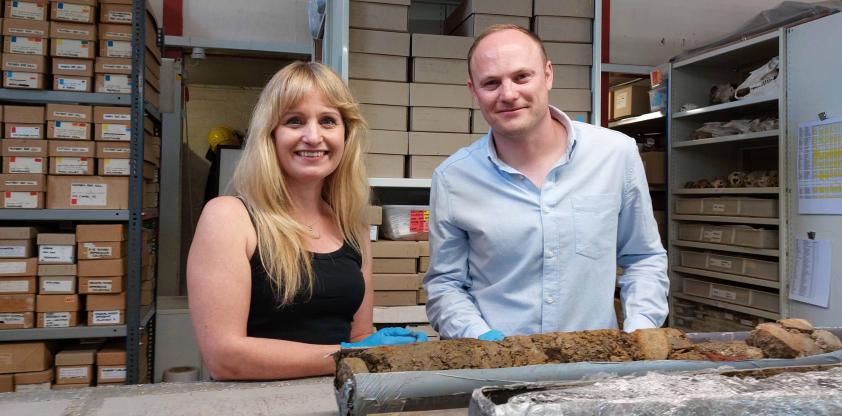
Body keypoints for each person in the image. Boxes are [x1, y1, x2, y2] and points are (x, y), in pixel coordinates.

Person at [424, 25, 669, 341]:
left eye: (522, 77)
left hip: (595, 371)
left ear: (548, 74)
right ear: (473, 91)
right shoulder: (453, 178)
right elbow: (445, 284)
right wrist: (483, 341)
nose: (509, 94)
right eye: (491, 83)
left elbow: (643, 258)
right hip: (496, 373)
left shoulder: (615, 155)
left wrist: (639, 332)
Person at [187, 61, 425, 381]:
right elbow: (225, 357)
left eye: (328, 121)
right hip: (251, 410)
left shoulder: (351, 227)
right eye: (295, 121)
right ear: (270, 133)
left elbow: (358, 337)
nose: (313, 137)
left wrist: (385, 350)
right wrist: (351, 355)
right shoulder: (229, 218)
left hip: (340, 402)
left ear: (345, 134)